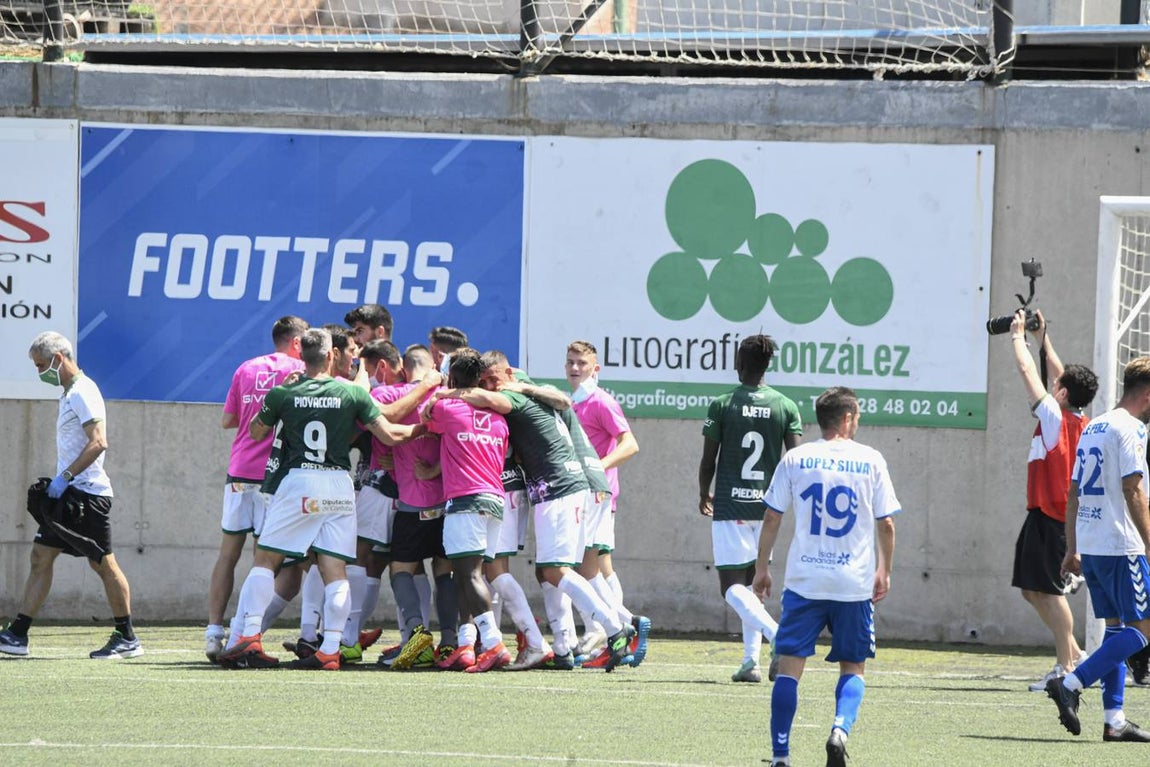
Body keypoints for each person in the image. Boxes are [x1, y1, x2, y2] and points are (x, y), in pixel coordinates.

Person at [217, 328, 423, 670]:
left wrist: (276, 405)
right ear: (331, 356)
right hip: (338, 484)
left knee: (266, 559)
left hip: (299, 481)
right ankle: (329, 648)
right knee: (335, 568)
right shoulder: (351, 393)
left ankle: (249, 636)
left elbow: (255, 431)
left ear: (303, 357)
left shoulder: (284, 392)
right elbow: (389, 433)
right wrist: (424, 429)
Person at [453, 350, 635, 671]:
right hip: (560, 487)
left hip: (557, 488)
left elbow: (489, 399)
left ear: (509, 374)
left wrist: (445, 391)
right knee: (548, 572)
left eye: (494, 379)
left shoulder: (514, 397)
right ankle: (563, 646)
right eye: (486, 382)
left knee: (555, 571)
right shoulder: (533, 392)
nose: (490, 387)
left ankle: (615, 628)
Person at [753, 386, 900, 767]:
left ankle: (780, 756)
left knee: (789, 670)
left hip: (805, 582)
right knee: (853, 666)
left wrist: (762, 567)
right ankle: (839, 729)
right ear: (848, 418)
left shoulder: (797, 458)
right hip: (853, 584)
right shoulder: (871, 459)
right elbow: (886, 523)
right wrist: (884, 569)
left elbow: (772, 516)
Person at [0, 331, 142, 660]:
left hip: (88, 497)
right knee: (41, 556)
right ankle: (17, 635)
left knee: (103, 564)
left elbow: (99, 441)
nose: (39, 373)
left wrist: (64, 478)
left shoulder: (83, 392)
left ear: (58, 359)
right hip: (70, 496)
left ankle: (127, 636)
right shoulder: (68, 394)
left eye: (41, 366)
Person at [1045, 356, 1150, 742]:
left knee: (1116, 629)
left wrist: (1074, 547)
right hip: (1123, 543)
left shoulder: (1095, 426)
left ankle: (1115, 720)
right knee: (1143, 630)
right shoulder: (1132, 429)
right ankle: (1072, 683)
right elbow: (1133, 488)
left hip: (1093, 542)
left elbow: (1073, 492)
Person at [698, 334, 801, 682]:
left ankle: (779, 638)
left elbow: (708, 459)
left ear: (738, 364)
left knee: (731, 587)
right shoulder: (786, 406)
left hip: (731, 504)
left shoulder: (723, 404)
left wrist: (703, 492)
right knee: (752, 587)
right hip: (767, 508)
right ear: (767, 365)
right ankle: (750, 662)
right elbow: (795, 460)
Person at [205, 315, 308, 662]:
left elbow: (227, 421)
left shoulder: (246, 368)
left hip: (238, 472)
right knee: (274, 564)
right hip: (273, 476)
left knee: (227, 554)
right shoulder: (300, 370)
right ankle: (246, 633)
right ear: (297, 342)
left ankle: (213, 632)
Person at [1006, 309, 1096, 691]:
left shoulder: (1055, 416)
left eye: (1058, 384)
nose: (1053, 383)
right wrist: (1044, 339)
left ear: (1062, 393)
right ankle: (1075, 655)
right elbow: (1061, 379)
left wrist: (1016, 337)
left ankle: (1065, 667)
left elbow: (1030, 374)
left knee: (1051, 591)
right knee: (1031, 590)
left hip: (1054, 517)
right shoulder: (1079, 416)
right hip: (1044, 515)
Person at [423, 348, 513, 672]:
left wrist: (439, 389)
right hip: (494, 500)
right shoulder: (499, 419)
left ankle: (493, 643)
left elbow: (425, 416)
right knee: (466, 573)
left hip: (465, 501)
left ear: (453, 379)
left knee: (468, 574)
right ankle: (465, 644)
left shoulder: (449, 409)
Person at [565, 340, 649, 665]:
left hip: (596, 493)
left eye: (582, 363)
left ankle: (615, 629)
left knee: (582, 569)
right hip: (586, 492)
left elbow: (630, 444)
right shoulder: (575, 402)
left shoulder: (600, 401)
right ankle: (626, 626)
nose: (575, 368)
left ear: (595, 369)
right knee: (597, 566)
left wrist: (600, 464)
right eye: (570, 362)